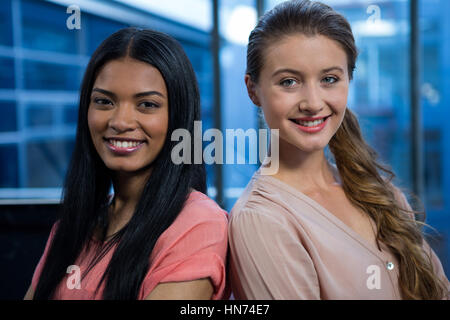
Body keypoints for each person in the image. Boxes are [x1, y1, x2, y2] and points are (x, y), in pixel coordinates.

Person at [228, 0, 449, 299]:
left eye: (329, 79)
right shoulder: (262, 220)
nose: (313, 102)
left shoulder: (380, 192)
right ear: (253, 89)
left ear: (348, 81)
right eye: (289, 82)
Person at [24, 28, 228, 300]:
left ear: (178, 118)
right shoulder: (70, 227)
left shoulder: (197, 223)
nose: (120, 121)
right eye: (104, 101)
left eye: (146, 104)